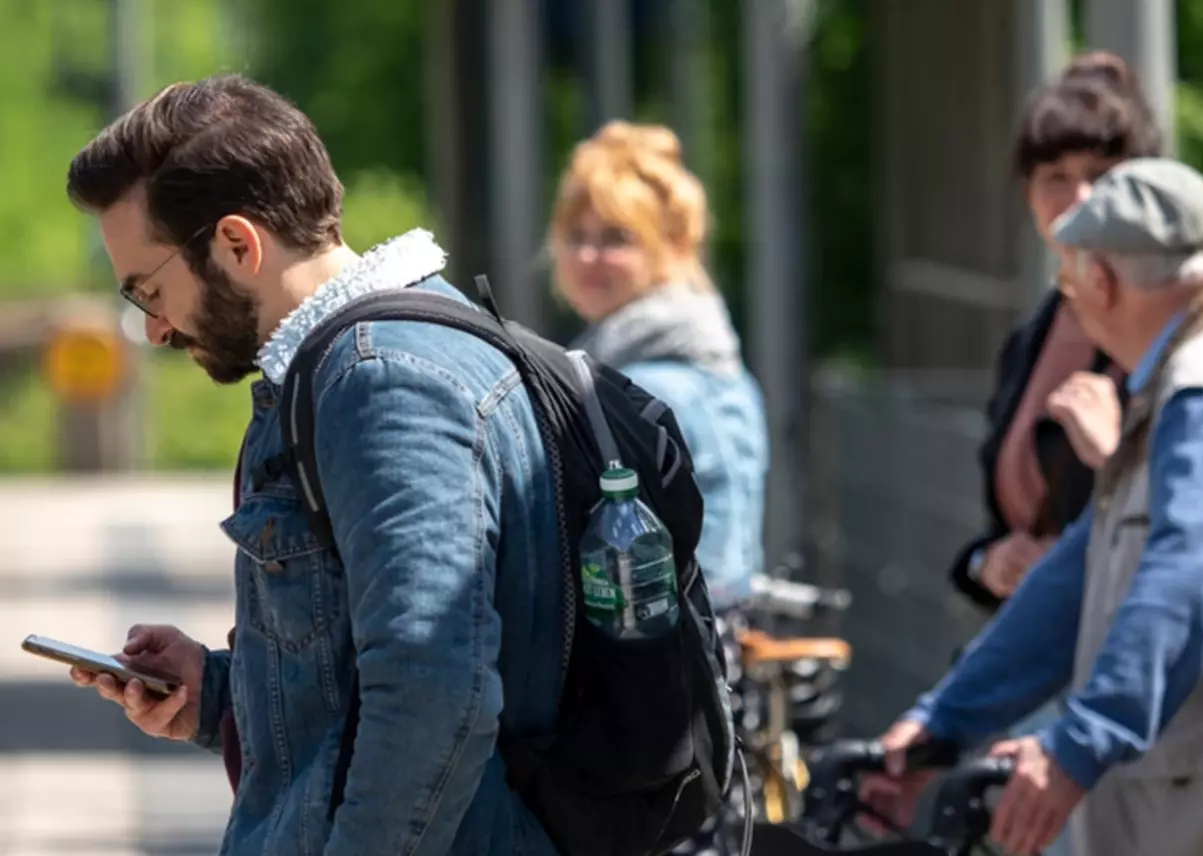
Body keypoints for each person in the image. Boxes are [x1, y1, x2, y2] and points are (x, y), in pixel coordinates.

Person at [63, 74, 566, 855]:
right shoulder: (396, 353)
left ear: (237, 243)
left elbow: (434, 688)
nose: (156, 330)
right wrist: (221, 696)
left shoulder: (383, 385)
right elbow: (368, 681)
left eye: (149, 292)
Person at [867, 158, 1203, 856]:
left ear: (1100, 283)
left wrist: (1075, 748)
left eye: (1067, 286)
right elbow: (1081, 575)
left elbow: (1186, 587)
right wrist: (945, 724)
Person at [951, 50, 1162, 613]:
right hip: (1038, 647)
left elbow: (1195, 528)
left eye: (1099, 176)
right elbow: (1004, 522)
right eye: (1055, 178)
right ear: (1028, 194)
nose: (1079, 200)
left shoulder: (1168, 336)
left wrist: (1111, 457)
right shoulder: (1029, 338)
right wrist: (988, 563)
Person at [549, 119, 768, 612]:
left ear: (671, 247)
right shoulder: (722, 366)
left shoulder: (634, 387)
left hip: (658, 654)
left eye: (615, 238)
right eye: (575, 235)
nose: (588, 255)